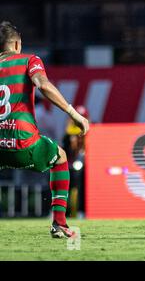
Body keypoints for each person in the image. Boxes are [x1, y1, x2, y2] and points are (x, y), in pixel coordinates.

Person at [0, 21, 89, 237]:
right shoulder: (30, 60)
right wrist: (74, 114)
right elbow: (43, 85)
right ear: (17, 44)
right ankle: (59, 223)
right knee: (60, 157)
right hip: (24, 143)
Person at [62, 105, 88, 218]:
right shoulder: (68, 133)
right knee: (62, 184)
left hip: (82, 163)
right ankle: (59, 211)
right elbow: (65, 146)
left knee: (83, 186)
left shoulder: (90, 131)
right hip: (70, 163)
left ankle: (82, 210)